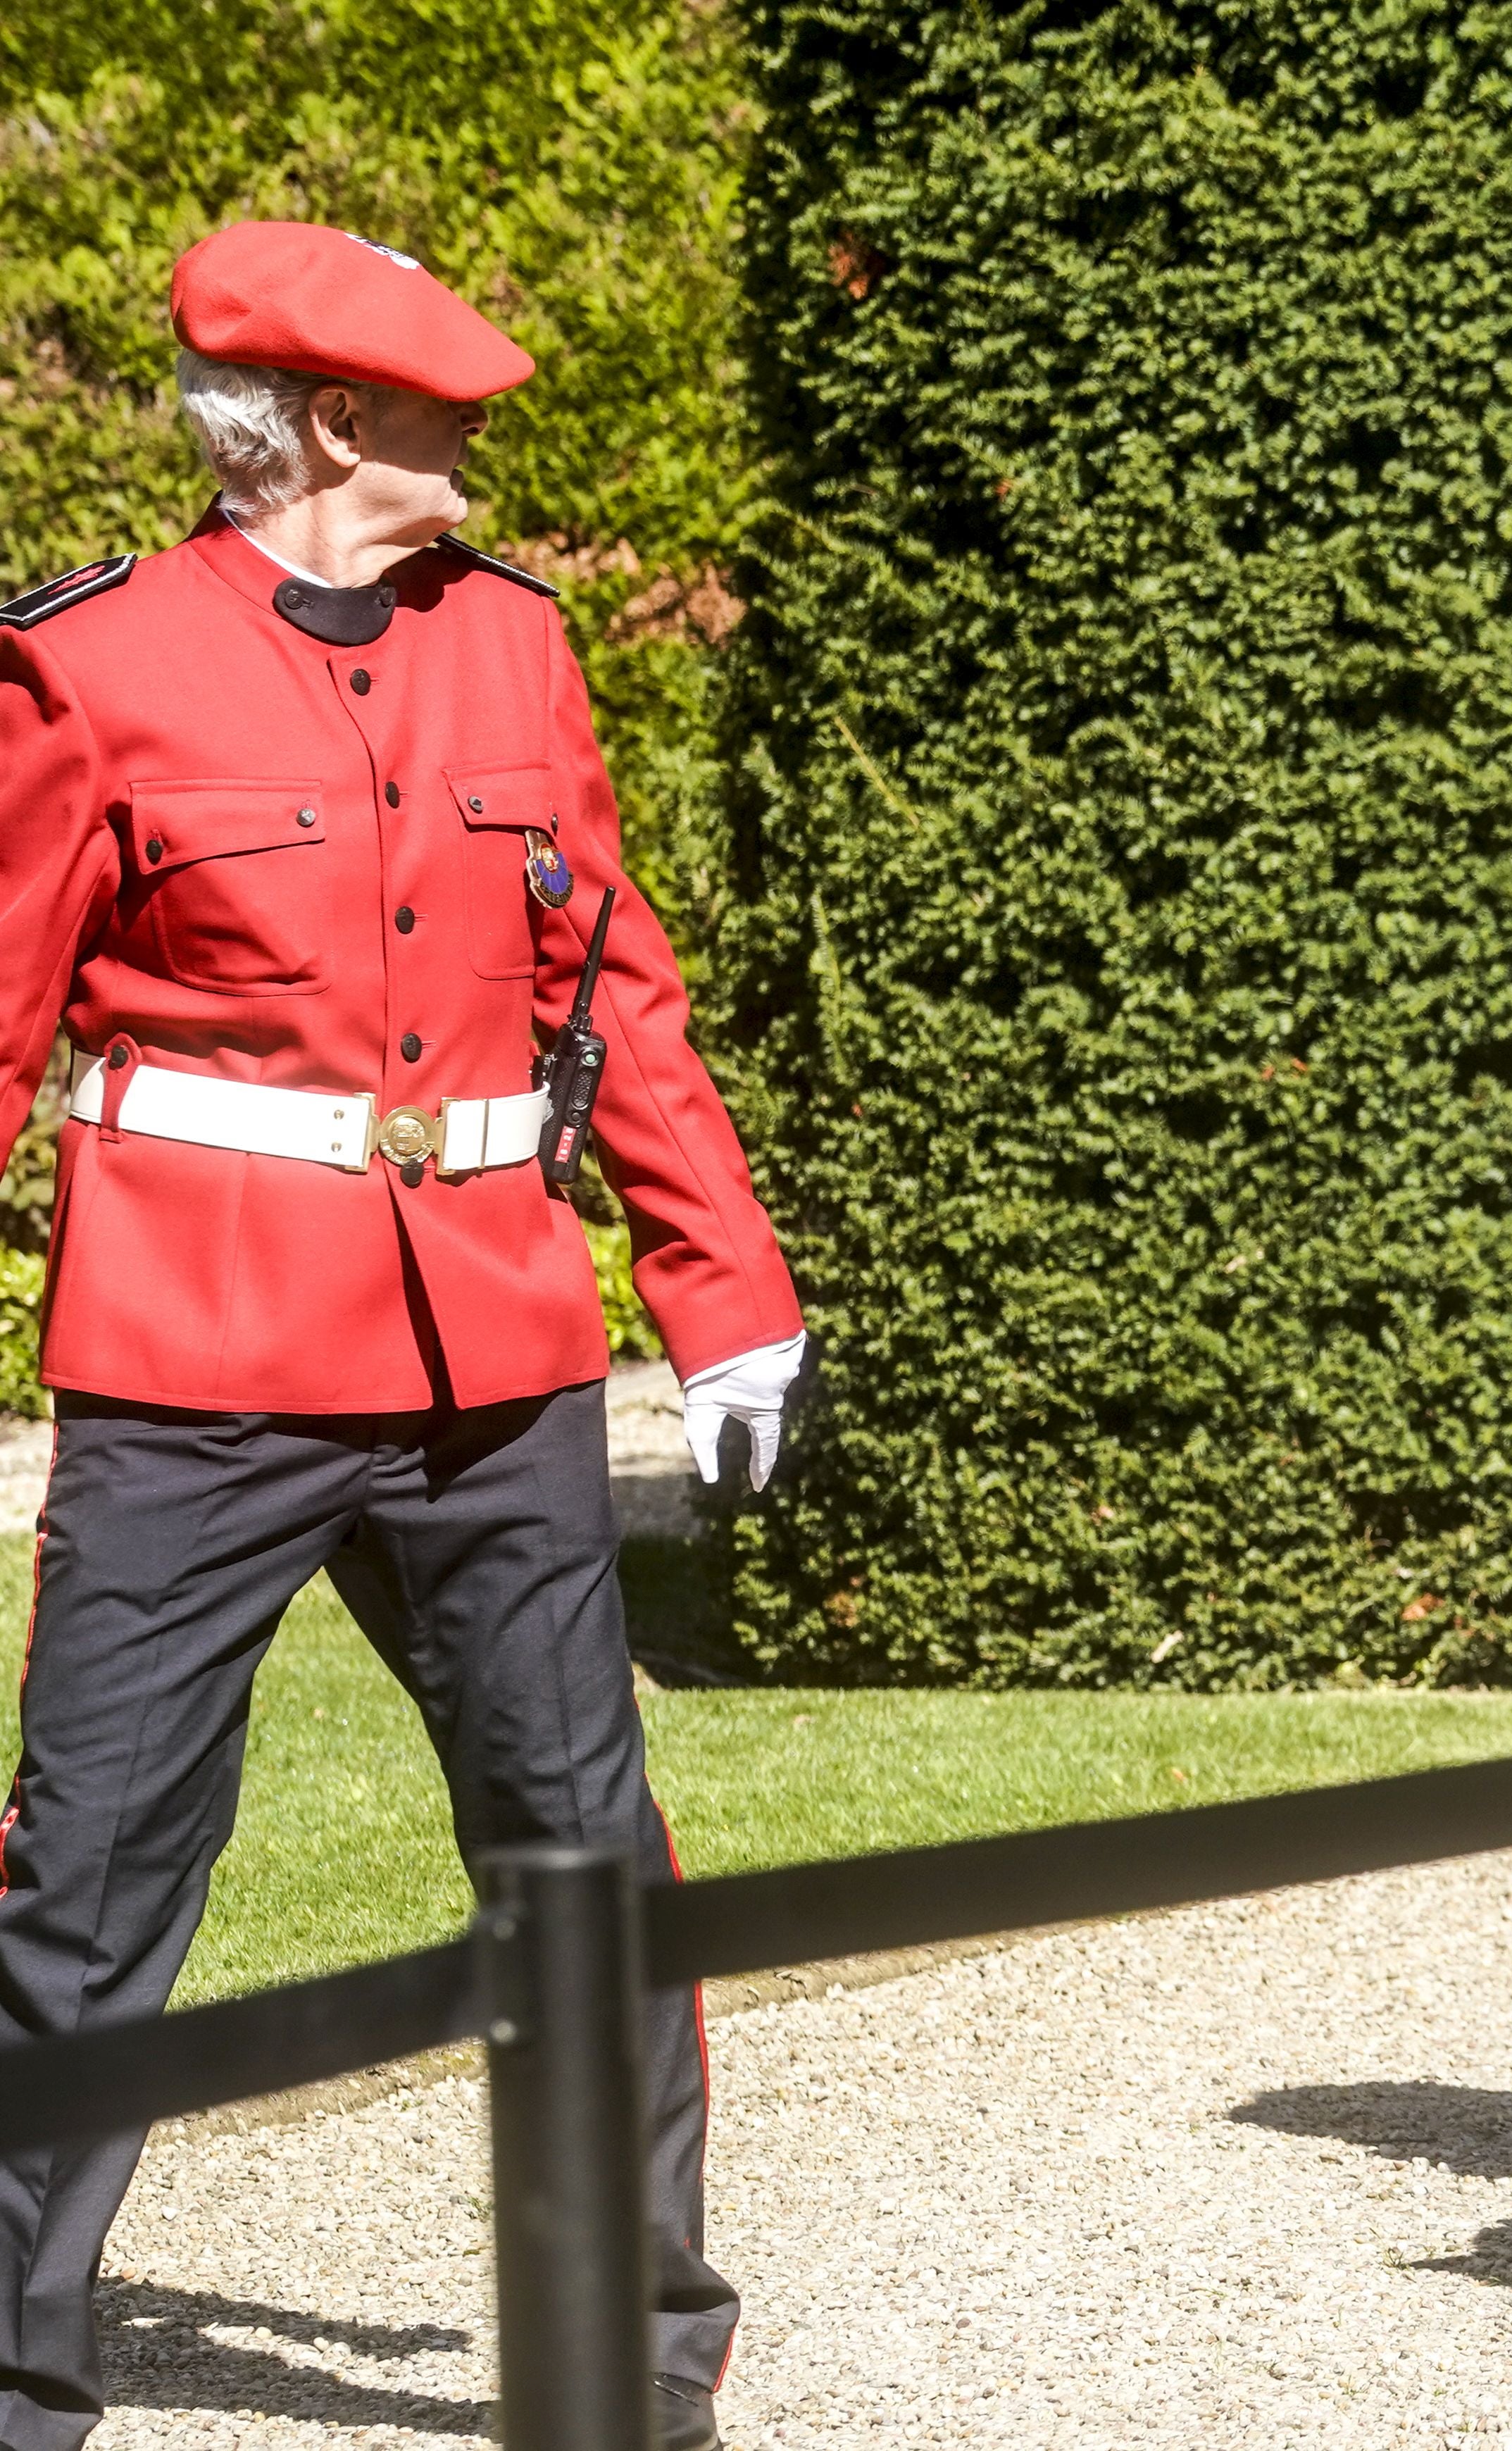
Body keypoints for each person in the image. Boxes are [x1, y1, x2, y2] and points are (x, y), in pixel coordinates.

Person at [0, 223, 808, 2451]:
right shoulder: (88, 669)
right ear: (338, 427)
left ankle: (634, 2378)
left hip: (495, 1374)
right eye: (445, 406)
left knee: (584, 1868)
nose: (484, 437)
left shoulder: (518, 656)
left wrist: (721, 1296)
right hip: (197, 1367)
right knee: (86, 1883)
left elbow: (613, 988)